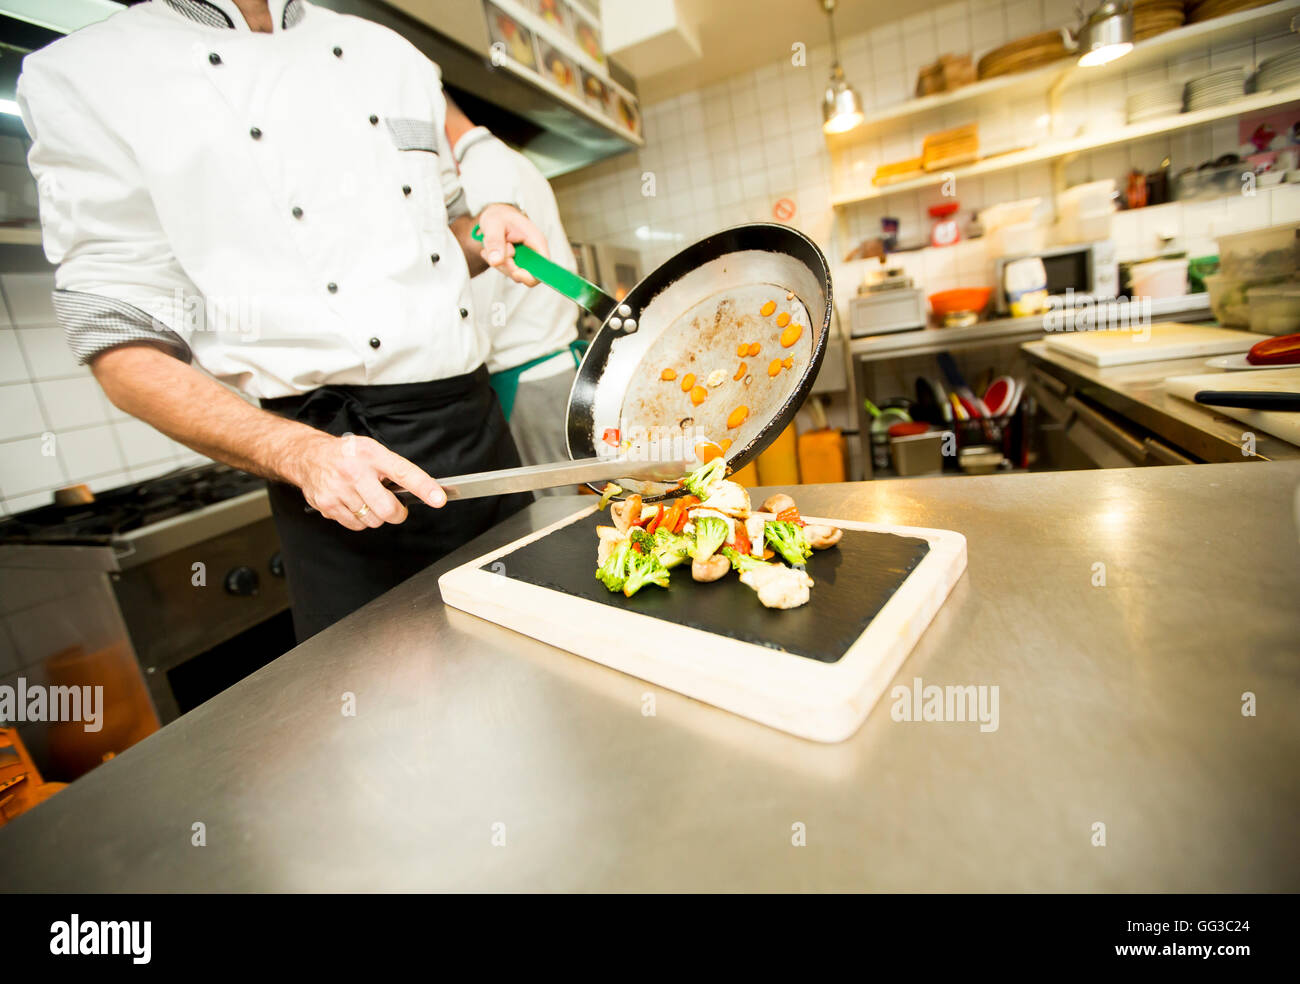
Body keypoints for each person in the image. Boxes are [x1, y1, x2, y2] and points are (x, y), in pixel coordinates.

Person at [17, 0, 550, 640]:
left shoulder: (384, 49)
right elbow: (121, 349)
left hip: (477, 426)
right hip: (337, 460)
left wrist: (493, 231)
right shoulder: (87, 74)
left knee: (545, 645)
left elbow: (436, 248)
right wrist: (302, 454)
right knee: (392, 709)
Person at [444, 97, 582, 479]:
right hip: (558, 369)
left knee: (553, 513)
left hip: (529, 387)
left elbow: (479, 301)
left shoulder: (477, 186)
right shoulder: (518, 165)